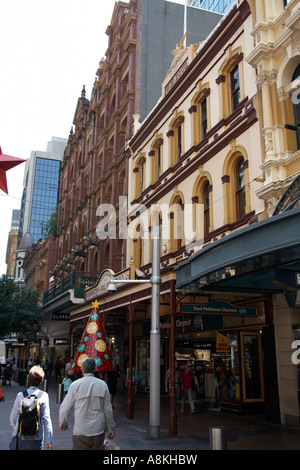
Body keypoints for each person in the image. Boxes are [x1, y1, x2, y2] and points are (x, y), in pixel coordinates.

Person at [59, 358, 115, 450]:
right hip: (98, 429)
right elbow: (108, 410)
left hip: (81, 429)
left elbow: (65, 407)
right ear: (94, 369)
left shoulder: (75, 385)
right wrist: (110, 428)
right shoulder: (103, 384)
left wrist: (63, 422)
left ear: (82, 369)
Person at [9, 365, 53, 450]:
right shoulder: (44, 396)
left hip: (20, 438)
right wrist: (49, 441)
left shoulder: (20, 395)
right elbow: (46, 420)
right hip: (36, 439)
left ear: (29, 380)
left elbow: (12, 419)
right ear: (41, 381)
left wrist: (19, 429)